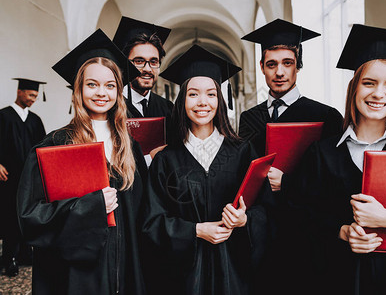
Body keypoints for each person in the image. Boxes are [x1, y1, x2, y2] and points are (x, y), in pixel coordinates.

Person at [290, 24, 386, 294]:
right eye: (369, 83)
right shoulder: (321, 154)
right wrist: (342, 231)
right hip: (342, 281)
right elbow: (302, 219)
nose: (378, 94)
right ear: (354, 87)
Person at [17, 29, 147, 294]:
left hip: (126, 271)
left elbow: (145, 213)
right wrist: (91, 205)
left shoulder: (129, 146)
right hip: (76, 277)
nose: (102, 92)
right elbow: (30, 216)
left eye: (110, 85)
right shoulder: (55, 144)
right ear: (79, 88)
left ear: (119, 90)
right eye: (92, 84)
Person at [140, 44, 273, 295]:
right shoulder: (166, 159)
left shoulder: (242, 153)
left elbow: (266, 210)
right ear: (182, 100)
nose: (203, 102)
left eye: (211, 94)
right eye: (193, 94)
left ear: (220, 100)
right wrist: (196, 230)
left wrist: (245, 220)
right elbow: (151, 223)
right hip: (184, 280)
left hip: (234, 274)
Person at [239, 18, 344, 294]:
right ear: (262, 67)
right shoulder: (249, 119)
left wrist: (290, 181)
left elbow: (336, 180)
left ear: (298, 65)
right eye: (271, 64)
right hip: (263, 227)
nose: (280, 72)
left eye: (287, 62)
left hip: (308, 226)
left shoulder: (325, 116)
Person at [0, 78, 46, 276]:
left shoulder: (35, 120)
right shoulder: (3, 116)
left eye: (35, 96)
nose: (33, 99)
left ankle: (25, 254)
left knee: (26, 215)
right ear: (20, 92)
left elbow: (42, 148)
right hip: (8, 178)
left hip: (28, 180)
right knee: (9, 216)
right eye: (30, 94)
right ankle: (8, 258)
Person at [113, 16, 173, 166]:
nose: (147, 69)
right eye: (139, 61)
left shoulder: (167, 108)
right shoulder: (112, 106)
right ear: (125, 63)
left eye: (153, 62)